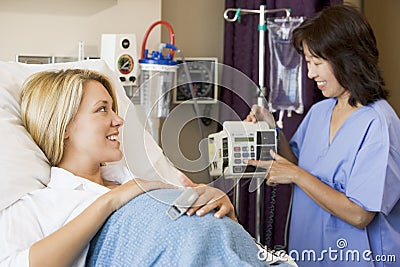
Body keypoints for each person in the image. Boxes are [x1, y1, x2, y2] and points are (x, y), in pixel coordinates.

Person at [2, 69, 238, 266]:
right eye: (102, 109)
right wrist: (111, 201)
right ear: (64, 127)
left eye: (114, 108)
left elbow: (208, 234)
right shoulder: (39, 205)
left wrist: (224, 210)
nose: (118, 120)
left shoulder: (140, 180)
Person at [246, 5, 400, 267]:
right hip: (309, 254)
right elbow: (297, 163)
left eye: (317, 63)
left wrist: (295, 175)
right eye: (307, 62)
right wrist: (273, 128)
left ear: (347, 59)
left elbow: (360, 214)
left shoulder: (378, 124)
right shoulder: (320, 111)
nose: (310, 73)